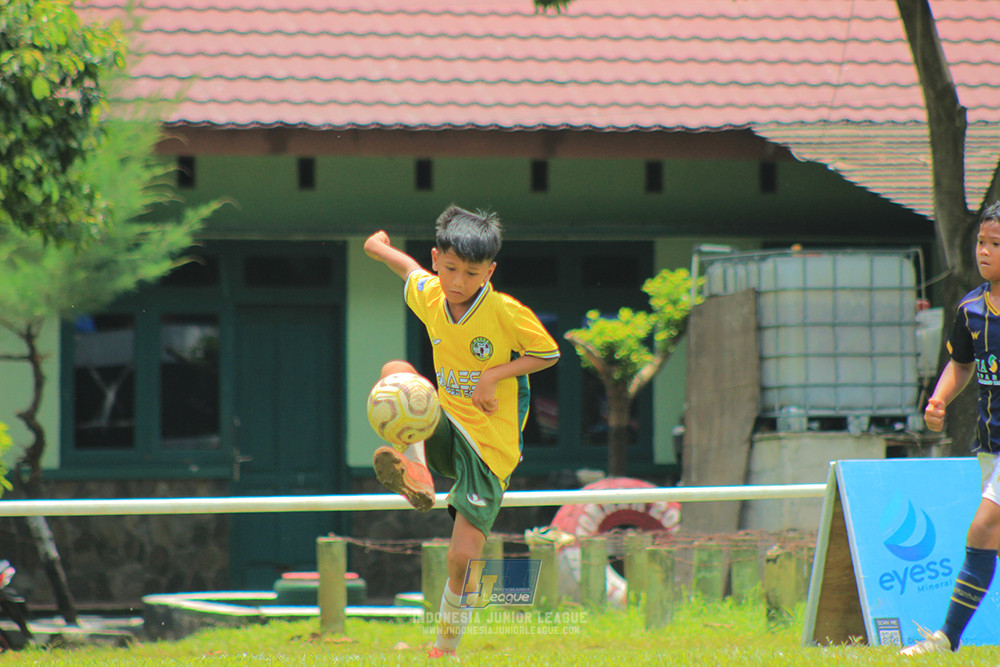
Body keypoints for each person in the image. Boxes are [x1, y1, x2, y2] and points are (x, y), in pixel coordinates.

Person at [364, 205, 560, 659]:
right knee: (395, 369)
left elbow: (547, 354)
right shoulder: (432, 294)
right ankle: (419, 473)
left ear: (489, 271)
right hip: (447, 427)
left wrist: (493, 376)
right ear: (437, 259)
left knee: (460, 561)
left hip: (489, 451)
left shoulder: (505, 312)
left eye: (471, 273)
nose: (457, 282)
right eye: (450, 269)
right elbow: (407, 270)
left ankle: (445, 650)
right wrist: (379, 248)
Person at [901, 201, 1000, 655]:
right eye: (981, 242)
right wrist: (939, 398)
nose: (984, 251)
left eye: (995, 245)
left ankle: (945, 640)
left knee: (983, 527)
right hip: (991, 444)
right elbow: (961, 365)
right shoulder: (970, 309)